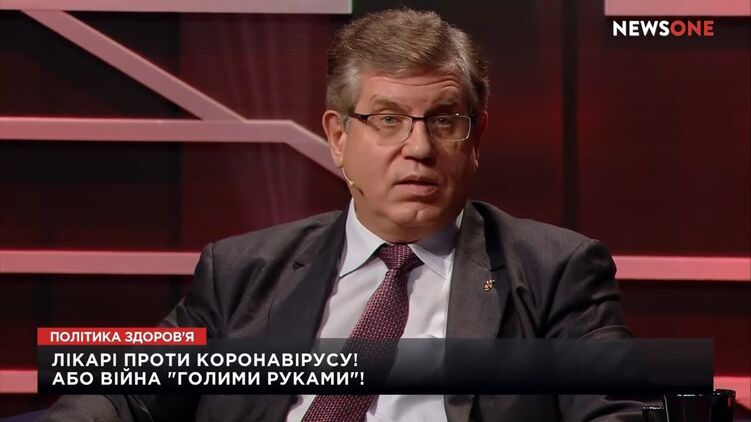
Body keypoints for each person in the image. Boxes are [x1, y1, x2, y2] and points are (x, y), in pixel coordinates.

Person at [43, 8, 643, 421]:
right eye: (388, 120)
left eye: (443, 121)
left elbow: (617, 411)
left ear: (475, 136)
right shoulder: (242, 271)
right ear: (338, 136)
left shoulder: (553, 271)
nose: (418, 147)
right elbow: (124, 393)